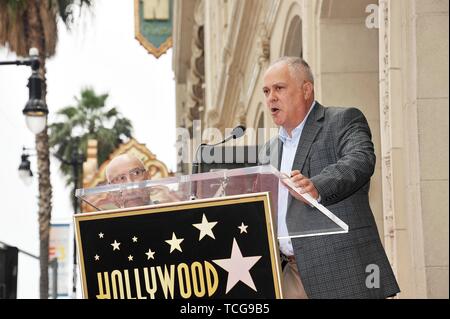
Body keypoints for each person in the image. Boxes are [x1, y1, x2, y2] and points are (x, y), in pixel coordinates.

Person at [259, 56, 400, 299]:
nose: (271, 97)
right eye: (266, 91)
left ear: (306, 90)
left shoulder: (342, 120)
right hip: (288, 275)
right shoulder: (267, 151)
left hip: (340, 270)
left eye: (279, 88)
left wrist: (317, 186)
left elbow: (360, 159)